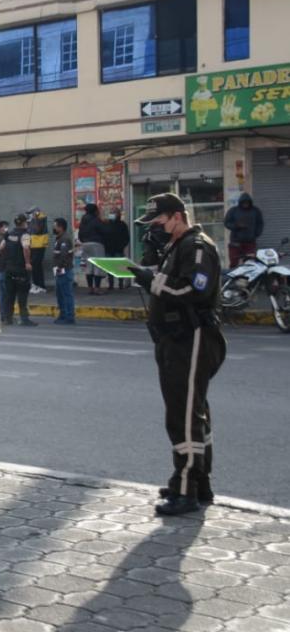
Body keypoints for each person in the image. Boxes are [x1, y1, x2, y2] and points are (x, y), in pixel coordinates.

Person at [127, 193, 227, 516]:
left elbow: (192, 290)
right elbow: (167, 280)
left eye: (157, 222)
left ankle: (186, 489)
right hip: (175, 339)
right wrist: (151, 260)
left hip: (192, 337)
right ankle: (199, 483)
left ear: (176, 217)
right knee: (192, 411)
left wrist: (151, 279)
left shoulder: (197, 247)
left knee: (183, 415)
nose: (154, 228)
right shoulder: (176, 246)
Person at [0, 214, 35, 326]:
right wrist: (28, 263)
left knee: (10, 295)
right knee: (22, 295)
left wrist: (9, 258)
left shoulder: (8, 234)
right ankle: (24, 319)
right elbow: (26, 249)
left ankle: (8, 318)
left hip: (9, 268)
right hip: (21, 269)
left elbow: (1, 248)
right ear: (24, 223)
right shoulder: (25, 235)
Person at [223, 193, 264, 268]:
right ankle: (232, 278)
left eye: (247, 202)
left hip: (250, 242)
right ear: (241, 202)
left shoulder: (255, 211)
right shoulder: (233, 211)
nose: (246, 204)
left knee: (250, 263)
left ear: (250, 202)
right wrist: (236, 226)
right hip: (235, 242)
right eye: (244, 202)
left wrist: (257, 233)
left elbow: (260, 223)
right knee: (234, 262)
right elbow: (226, 222)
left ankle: (248, 279)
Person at [78, 203, 107, 294]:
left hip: (85, 244)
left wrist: (84, 241)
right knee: (98, 266)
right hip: (96, 244)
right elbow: (104, 230)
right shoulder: (96, 220)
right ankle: (97, 288)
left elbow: (80, 234)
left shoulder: (83, 220)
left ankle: (90, 288)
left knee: (89, 267)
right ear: (95, 211)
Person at [52, 217, 76, 325]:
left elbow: (64, 256)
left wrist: (59, 268)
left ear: (60, 227)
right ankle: (63, 315)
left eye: (55, 226)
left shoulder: (64, 239)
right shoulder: (59, 238)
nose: (54, 227)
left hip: (64, 271)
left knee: (66, 294)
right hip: (60, 270)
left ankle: (69, 316)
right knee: (60, 295)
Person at [102, 208, 131, 290]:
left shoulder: (122, 224)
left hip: (118, 249)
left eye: (114, 212)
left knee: (120, 267)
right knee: (109, 267)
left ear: (119, 214)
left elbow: (126, 238)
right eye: (111, 212)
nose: (112, 214)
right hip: (108, 249)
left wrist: (121, 246)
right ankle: (111, 284)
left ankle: (120, 283)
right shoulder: (106, 224)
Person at [27, 208, 50, 294]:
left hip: (38, 245)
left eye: (30, 213)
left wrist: (33, 219)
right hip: (34, 245)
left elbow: (37, 230)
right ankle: (36, 285)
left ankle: (40, 286)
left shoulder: (39, 218)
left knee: (36, 266)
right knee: (36, 266)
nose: (29, 216)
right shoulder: (35, 219)